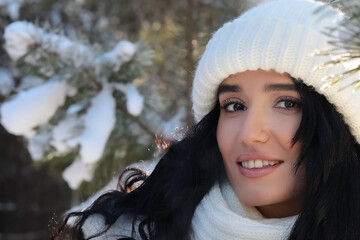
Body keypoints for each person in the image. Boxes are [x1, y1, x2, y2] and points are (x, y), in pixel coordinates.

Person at [52, 0, 360, 239]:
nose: (251, 134)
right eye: (235, 105)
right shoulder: (126, 232)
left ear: (341, 123)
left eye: (287, 102)